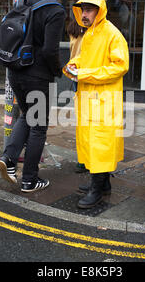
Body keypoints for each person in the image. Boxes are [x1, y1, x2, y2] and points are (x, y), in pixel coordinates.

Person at [0, 0, 68, 193]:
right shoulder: (56, 10)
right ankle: (30, 179)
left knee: (27, 116)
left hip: (15, 70)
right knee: (38, 127)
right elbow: (49, 50)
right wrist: (59, 71)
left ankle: (8, 159)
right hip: (36, 77)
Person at [63, 0, 129, 209]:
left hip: (104, 102)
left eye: (90, 10)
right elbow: (85, 58)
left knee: (100, 145)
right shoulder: (90, 32)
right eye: (82, 9)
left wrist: (84, 73)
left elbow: (120, 66)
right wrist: (74, 65)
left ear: (99, 11)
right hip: (91, 99)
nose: (84, 14)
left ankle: (96, 189)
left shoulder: (111, 34)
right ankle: (104, 184)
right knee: (93, 144)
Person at [66, 18, 87, 174]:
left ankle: (82, 159)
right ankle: (86, 160)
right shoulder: (91, 31)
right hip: (88, 76)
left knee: (81, 120)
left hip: (75, 76)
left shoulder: (72, 30)